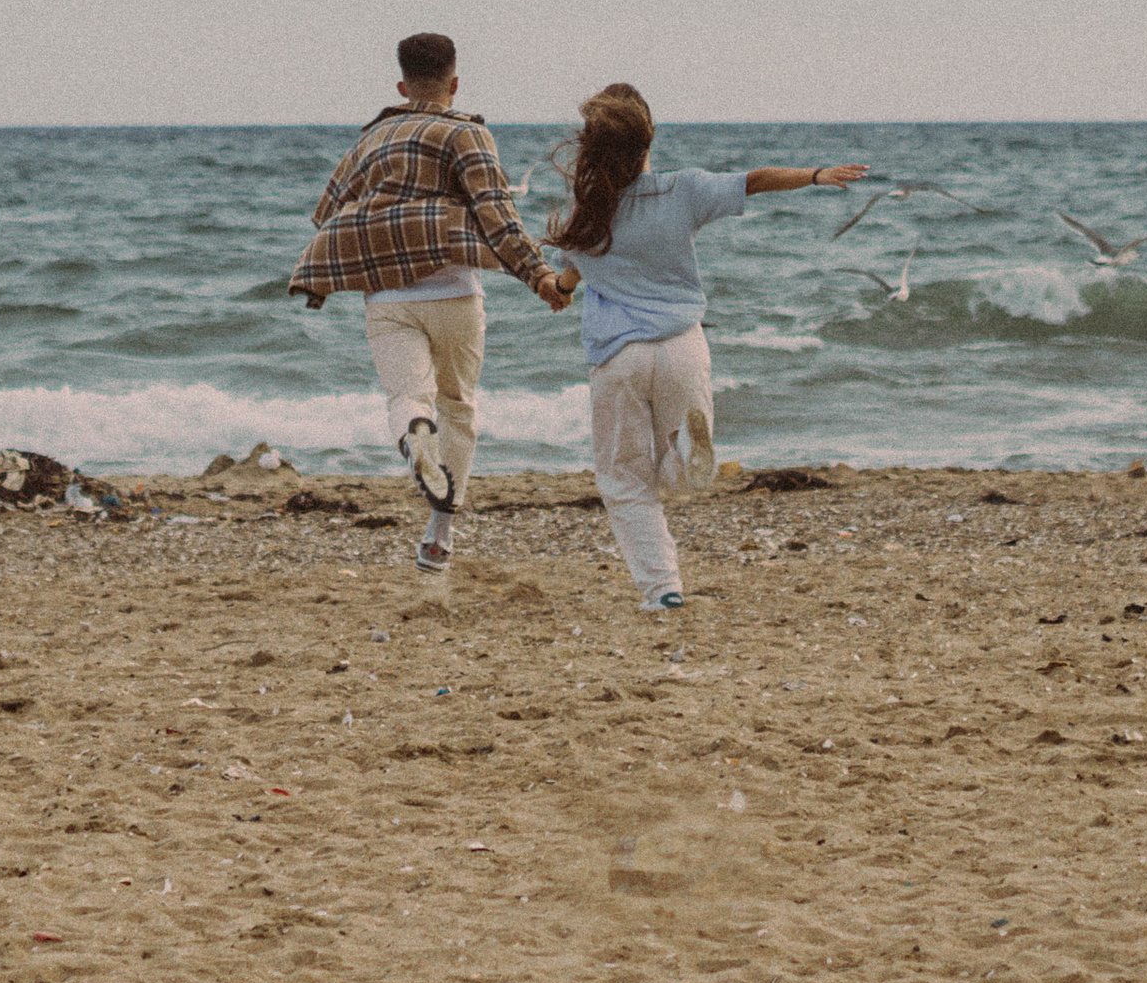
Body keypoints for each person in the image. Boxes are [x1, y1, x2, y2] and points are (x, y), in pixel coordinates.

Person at [548, 80, 868, 613]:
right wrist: (814, 175)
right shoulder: (685, 190)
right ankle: (687, 453)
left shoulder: (589, 210)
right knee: (677, 471)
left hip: (618, 358)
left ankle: (662, 590)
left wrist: (555, 288)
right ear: (650, 141)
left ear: (591, 148)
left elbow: (571, 274)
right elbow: (756, 180)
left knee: (625, 481)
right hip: (682, 346)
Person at [289, 33, 578, 572]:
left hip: (388, 299)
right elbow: (497, 213)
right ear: (455, 83)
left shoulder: (371, 138)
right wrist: (539, 276)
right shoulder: (466, 134)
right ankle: (439, 536)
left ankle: (414, 436)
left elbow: (327, 210)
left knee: (408, 397)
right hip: (454, 294)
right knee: (459, 407)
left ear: (401, 85)